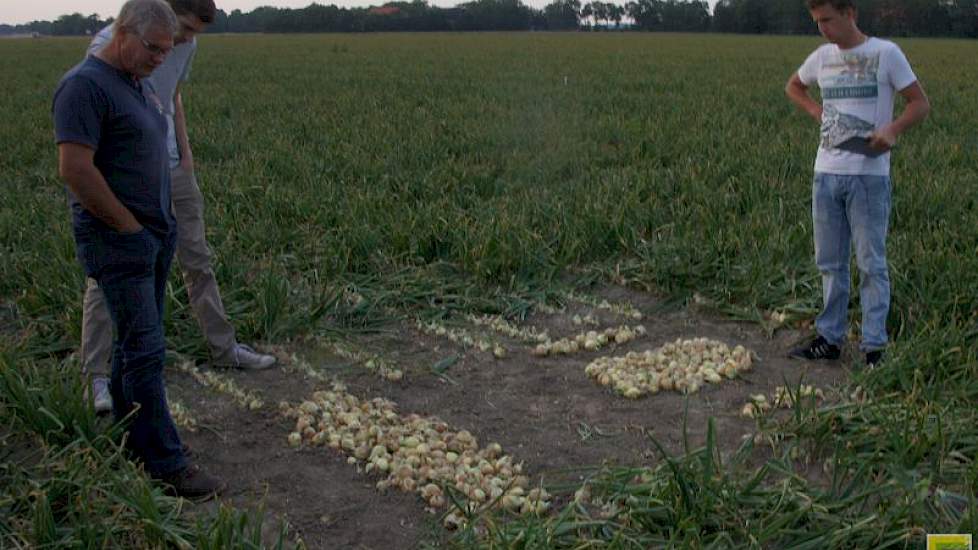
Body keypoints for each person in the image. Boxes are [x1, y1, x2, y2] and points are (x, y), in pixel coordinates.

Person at [54, 0, 224, 498]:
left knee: (134, 350)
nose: (160, 60)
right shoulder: (84, 87)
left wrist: (160, 222)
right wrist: (129, 228)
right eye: (153, 49)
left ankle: (132, 438)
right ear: (121, 33)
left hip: (151, 233)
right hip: (120, 239)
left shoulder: (134, 81)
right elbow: (75, 170)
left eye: (167, 50)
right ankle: (167, 462)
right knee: (146, 352)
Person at [83, 0, 277, 414]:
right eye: (185, 29)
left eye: (191, 35)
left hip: (172, 168)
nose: (186, 41)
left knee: (197, 258)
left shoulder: (183, 44)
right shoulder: (111, 45)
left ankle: (224, 348)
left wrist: (185, 153)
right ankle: (97, 376)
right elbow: (97, 109)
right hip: (129, 175)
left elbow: (173, 96)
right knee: (111, 271)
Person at [785, 0, 930, 367]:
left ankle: (873, 346)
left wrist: (892, 130)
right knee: (830, 262)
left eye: (828, 20)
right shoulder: (821, 57)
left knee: (870, 263)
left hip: (869, 177)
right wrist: (816, 111)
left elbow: (919, 103)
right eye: (817, 22)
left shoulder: (886, 53)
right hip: (826, 173)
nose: (823, 29)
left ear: (850, 13)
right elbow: (794, 86)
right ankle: (829, 339)